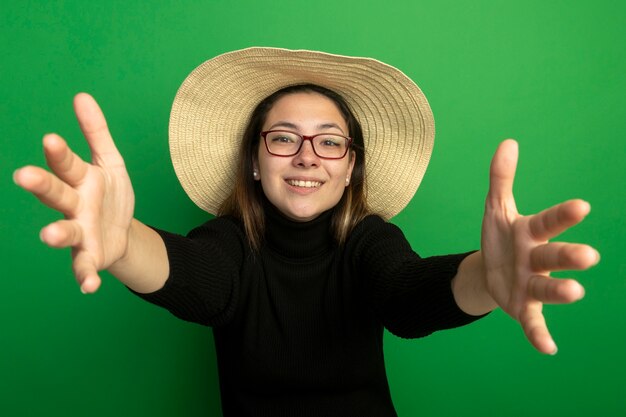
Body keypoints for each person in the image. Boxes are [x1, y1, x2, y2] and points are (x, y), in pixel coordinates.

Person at [13, 47, 599, 416]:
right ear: (254, 160)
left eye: (329, 142)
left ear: (349, 170)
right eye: (284, 137)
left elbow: (406, 294)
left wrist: (483, 276)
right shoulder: (227, 242)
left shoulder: (369, 240)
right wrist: (124, 243)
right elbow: (199, 278)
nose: (306, 157)